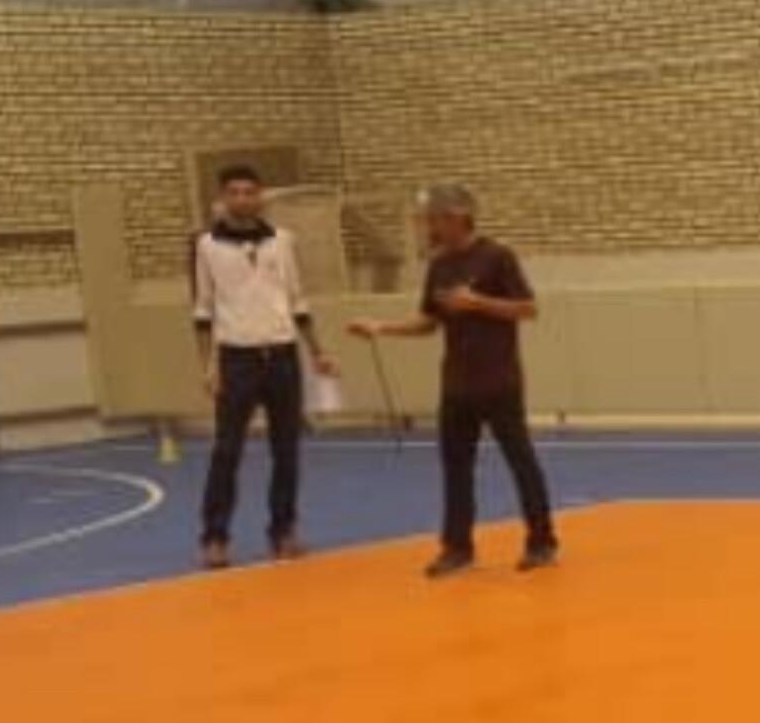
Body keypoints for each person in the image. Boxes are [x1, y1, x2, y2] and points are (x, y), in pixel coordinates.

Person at [348, 182, 557, 577]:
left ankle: (541, 540)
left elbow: (527, 309)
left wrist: (478, 302)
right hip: (457, 383)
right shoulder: (439, 265)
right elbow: (429, 322)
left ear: (456, 217)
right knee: (455, 466)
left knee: (520, 460)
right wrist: (381, 327)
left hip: (498, 380)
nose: (428, 227)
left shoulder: (497, 257)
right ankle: (457, 548)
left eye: (432, 219)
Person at [188, 163, 329, 566]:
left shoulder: (282, 241)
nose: (242, 199)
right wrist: (208, 366)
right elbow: (203, 310)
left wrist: (317, 351)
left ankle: (283, 532)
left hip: (282, 354)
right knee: (227, 451)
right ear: (222, 198)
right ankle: (215, 537)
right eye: (234, 192)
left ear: (261, 196)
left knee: (287, 450)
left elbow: (297, 298)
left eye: (250, 192)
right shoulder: (206, 246)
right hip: (236, 358)